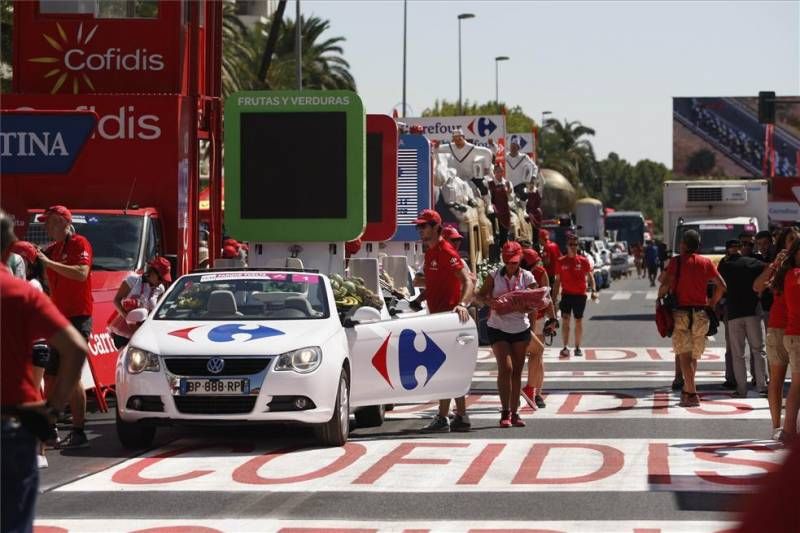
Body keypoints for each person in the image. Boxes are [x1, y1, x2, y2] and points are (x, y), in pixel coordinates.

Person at [1, 209, 88, 533]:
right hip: (14, 420)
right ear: (9, 246)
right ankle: (72, 424)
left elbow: (80, 272)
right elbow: (76, 348)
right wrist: (50, 411)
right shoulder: (24, 292)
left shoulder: (73, 246)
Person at [36, 205, 94, 449]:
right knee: (50, 376)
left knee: (71, 377)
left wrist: (48, 262)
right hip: (58, 319)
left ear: (62, 222)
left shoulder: (80, 243)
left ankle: (79, 431)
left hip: (78, 317)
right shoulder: (53, 249)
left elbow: (81, 274)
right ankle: (51, 429)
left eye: (49, 223)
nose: (47, 228)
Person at [414, 209, 474, 433]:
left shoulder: (446, 250)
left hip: (449, 320)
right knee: (451, 368)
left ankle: (443, 417)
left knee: (443, 369)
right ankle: (461, 415)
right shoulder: (430, 253)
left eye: (424, 226)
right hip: (438, 319)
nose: (420, 230)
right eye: (419, 226)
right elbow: (435, 284)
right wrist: (421, 296)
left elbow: (467, 280)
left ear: (436, 227)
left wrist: (463, 304)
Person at [658, 230, 726, 408]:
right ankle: (687, 392)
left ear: (684, 245)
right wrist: (712, 303)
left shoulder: (677, 261)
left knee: (684, 356)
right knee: (694, 356)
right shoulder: (706, 262)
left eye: (681, 243)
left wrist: (659, 297)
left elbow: (665, 284)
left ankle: (693, 393)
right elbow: (722, 285)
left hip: (681, 313)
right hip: (701, 314)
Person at [475, 241, 536, 427]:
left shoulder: (527, 277)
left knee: (517, 371)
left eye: (515, 262)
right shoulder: (494, 276)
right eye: (509, 261)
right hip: (497, 327)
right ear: (503, 259)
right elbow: (479, 295)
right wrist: (491, 302)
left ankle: (515, 412)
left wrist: (525, 307)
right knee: (506, 368)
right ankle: (504, 411)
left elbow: (536, 302)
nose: (512, 265)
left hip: (520, 327)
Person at [754, 228, 799, 441]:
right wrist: (774, 264)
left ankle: (788, 426)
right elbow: (757, 286)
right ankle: (776, 426)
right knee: (777, 380)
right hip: (778, 326)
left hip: (793, 327)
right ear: (783, 242)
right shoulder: (780, 265)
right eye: (791, 239)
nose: (795, 241)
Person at [718, 239, 768, 398]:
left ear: (728, 250)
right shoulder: (752, 262)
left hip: (733, 314)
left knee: (737, 353)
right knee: (758, 350)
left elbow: (719, 283)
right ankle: (762, 385)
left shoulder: (724, 265)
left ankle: (741, 389)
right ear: (740, 248)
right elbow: (768, 268)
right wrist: (762, 288)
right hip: (753, 312)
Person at [771, 238, 800, 443]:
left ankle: (787, 429)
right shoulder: (795, 275)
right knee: (795, 386)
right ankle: (788, 430)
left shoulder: (789, 274)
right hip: (796, 334)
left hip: (791, 333)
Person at [109, 257, 172, 348]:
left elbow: (156, 312)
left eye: (163, 280)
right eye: (160, 278)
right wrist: (126, 317)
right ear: (152, 272)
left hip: (143, 334)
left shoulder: (160, 289)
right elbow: (116, 300)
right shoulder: (132, 280)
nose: (161, 282)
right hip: (123, 333)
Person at [553, 233, 597, 358]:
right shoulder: (561, 261)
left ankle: (577, 347)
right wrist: (554, 297)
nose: (573, 247)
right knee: (565, 320)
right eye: (571, 244)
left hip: (580, 295)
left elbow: (590, 277)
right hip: (566, 295)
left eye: (575, 245)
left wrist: (593, 290)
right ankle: (565, 346)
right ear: (566, 246)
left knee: (578, 320)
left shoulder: (583, 261)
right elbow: (557, 281)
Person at [520, 248, 554, 409]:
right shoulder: (517, 275)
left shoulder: (540, 272)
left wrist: (552, 319)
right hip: (519, 319)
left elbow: (547, 297)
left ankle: (537, 392)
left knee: (538, 355)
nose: (535, 266)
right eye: (532, 264)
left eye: (535, 263)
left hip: (539, 318)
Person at [488, 163, 513, 250]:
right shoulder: (490, 183)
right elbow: (489, 197)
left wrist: (509, 193)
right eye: (497, 171)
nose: (499, 173)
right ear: (494, 172)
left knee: (504, 232)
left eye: (501, 171)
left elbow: (511, 199)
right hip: (495, 208)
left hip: (505, 209)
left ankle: (504, 247)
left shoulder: (507, 183)